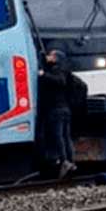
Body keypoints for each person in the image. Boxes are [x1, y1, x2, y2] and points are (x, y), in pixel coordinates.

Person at [38, 50, 76, 178]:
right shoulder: (65, 69)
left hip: (56, 110)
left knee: (59, 136)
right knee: (66, 136)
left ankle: (64, 161)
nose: (48, 56)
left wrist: (44, 75)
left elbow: (60, 81)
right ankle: (71, 161)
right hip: (65, 109)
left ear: (55, 58)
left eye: (50, 55)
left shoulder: (57, 70)